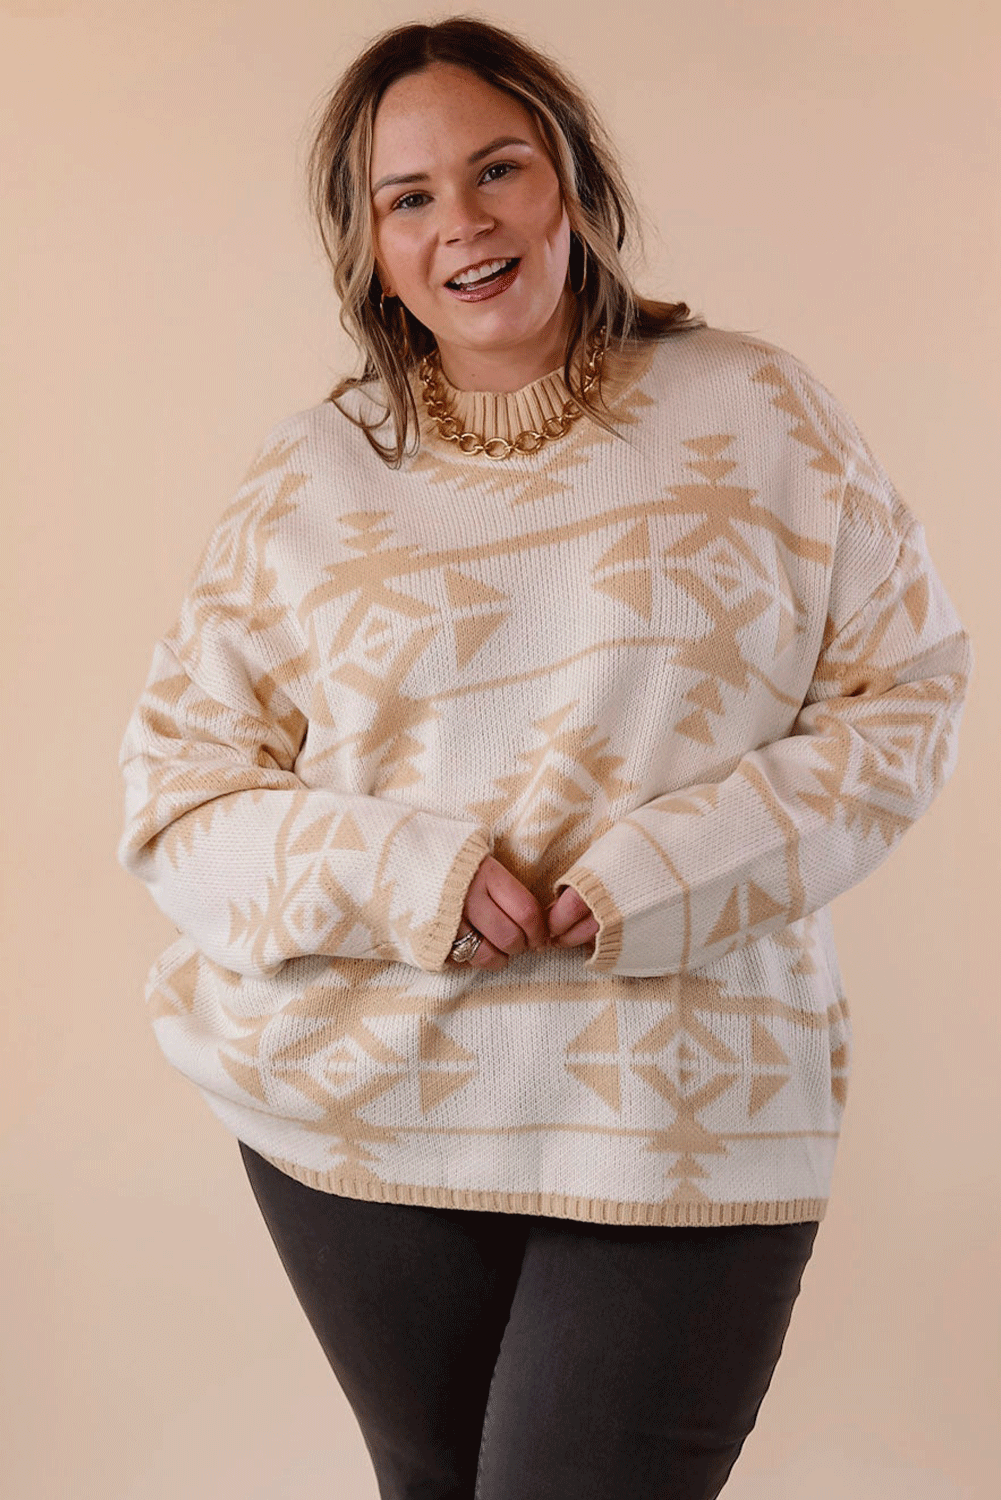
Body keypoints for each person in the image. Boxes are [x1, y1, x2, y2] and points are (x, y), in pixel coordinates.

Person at [115, 16, 974, 1499]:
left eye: (497, 167)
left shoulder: (759, 414)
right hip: (367, 1107)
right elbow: (176, 792)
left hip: (675, 1104)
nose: (463, 219)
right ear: (373, 249)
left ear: (570, 181)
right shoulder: (309, 476)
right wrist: (411, 877)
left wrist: (673, 868)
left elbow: (905, 694)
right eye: (410, 196)